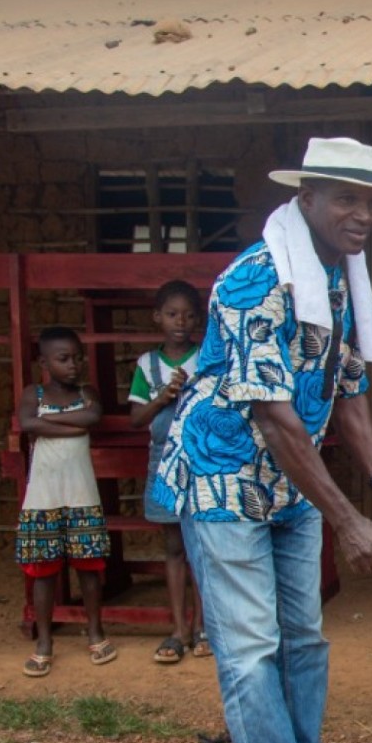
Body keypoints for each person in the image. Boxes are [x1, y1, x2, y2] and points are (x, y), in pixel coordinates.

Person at [154, 136, 372, 743]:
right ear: (305, 199)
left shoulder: (336, 278)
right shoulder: (254, 281)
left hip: (290, 484)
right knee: (250, 648)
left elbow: (347, 391)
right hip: (222, 480)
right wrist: (347, 521)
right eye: (345, 198)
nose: (362, 213)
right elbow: (273, 416)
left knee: (302, 639)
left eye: (370, 201)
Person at [14, 327, 115, 677]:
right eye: (63, 359)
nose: (74, 365)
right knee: (43, 573)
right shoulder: (33, 394)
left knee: (89, 568)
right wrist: (66, 425)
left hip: (81, 494)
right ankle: (44, 642)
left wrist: (48, 422)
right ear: (44, 362)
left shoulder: (87, 392)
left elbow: (91, 418)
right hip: (43, 497)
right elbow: (27, 423)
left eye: (77, 357)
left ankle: (96, 632)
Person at [129, 279, 206, 665]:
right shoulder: (148, 364)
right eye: (173, 314)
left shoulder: (206, 356)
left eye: (190, 315)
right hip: (163, 464)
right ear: (157, 317)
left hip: (202, 461)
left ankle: (207, 627)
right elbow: (135, 419)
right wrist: (163, 396)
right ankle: (180, 630)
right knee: (174, 548)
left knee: (204, 547)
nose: (182, 321)